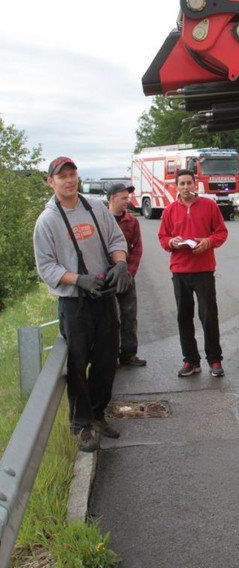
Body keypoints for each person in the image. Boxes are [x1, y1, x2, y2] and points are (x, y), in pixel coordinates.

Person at [33, 157, 132, 453]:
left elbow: (116, 240)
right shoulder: (47, 221)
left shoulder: (96, 208)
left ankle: (98, 414)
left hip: (103, 298)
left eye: (72, 174)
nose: (69, 180)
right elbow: (46, 267)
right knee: (77, 365)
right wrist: (78, 279)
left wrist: (120, 264)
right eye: (62, 176)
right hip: (74, 303)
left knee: (106, 360)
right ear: (50, 182)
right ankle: (82, 426)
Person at [158, 168, 228, 377]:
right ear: (176, 187)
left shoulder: (209, 205)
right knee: (183, 317)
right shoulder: (169, 210)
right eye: (182, 184)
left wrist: (208, 242)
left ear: (195, 184)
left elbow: (221, 232)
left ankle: (214, 360)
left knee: (209, 316)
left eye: (189, 183)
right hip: (179, 270)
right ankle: (190, 360)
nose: (186, 187)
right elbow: (163, 237)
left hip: (204, 270)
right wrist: (172, 242)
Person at [107, 182, 146, 367]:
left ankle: (129, 354)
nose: (127, 201)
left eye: (127, 198)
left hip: (127, 276)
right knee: (108, 318)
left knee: (129, 315)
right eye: (123, 198)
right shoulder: (100, 219)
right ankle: (109, 356)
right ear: (112, 198)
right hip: (105, 277)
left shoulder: (132, 221)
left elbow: (137, 248)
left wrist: (129, 273)